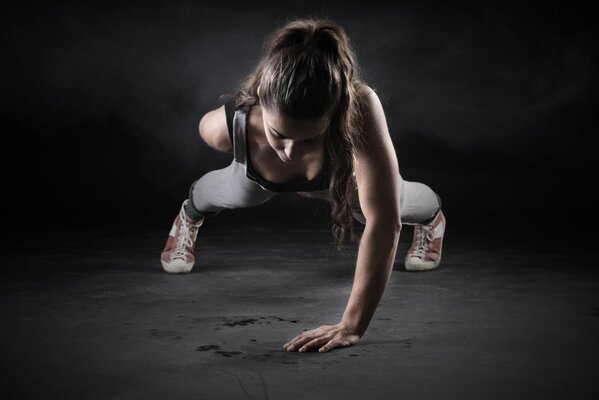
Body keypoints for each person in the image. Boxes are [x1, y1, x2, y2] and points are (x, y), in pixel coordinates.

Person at [160, 18, 446, 353]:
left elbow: (385, 223)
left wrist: (352, 325)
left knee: (389, 204)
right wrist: (247, 146)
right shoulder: (231, 123)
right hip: (259, 177)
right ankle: (189, 215)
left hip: (342, 182)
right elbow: (208, 129)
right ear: (261, 103)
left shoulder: (360, 106)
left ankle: (433, 217)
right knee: (239, 192)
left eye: (310, 140)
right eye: (279, 136)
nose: (291, 152)